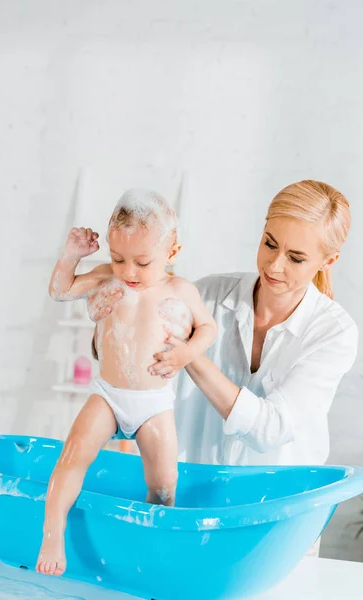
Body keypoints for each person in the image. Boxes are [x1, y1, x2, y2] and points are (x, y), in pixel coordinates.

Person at [91, 180, 358, 557]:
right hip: (189, 516)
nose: (274, 265)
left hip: (276, 532)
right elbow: (135, 374)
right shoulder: (207, 296)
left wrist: (192, 353)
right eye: (269, 243)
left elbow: (271, 429)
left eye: (296, 258)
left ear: (327, 261)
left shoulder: (333, 332)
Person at [36, 189, 216, 576]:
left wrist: (185, 353)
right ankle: (52, 533)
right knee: (72, 457)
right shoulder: (106, 278)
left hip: (153, 403)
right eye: (118, 258)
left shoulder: (180, 291)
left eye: (142, 262)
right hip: (108, 395)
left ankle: (152, 541)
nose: (129, 272)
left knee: (165, 481)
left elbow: (208, 328)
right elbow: (60, 290)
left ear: (172, 251)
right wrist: (70, 257)